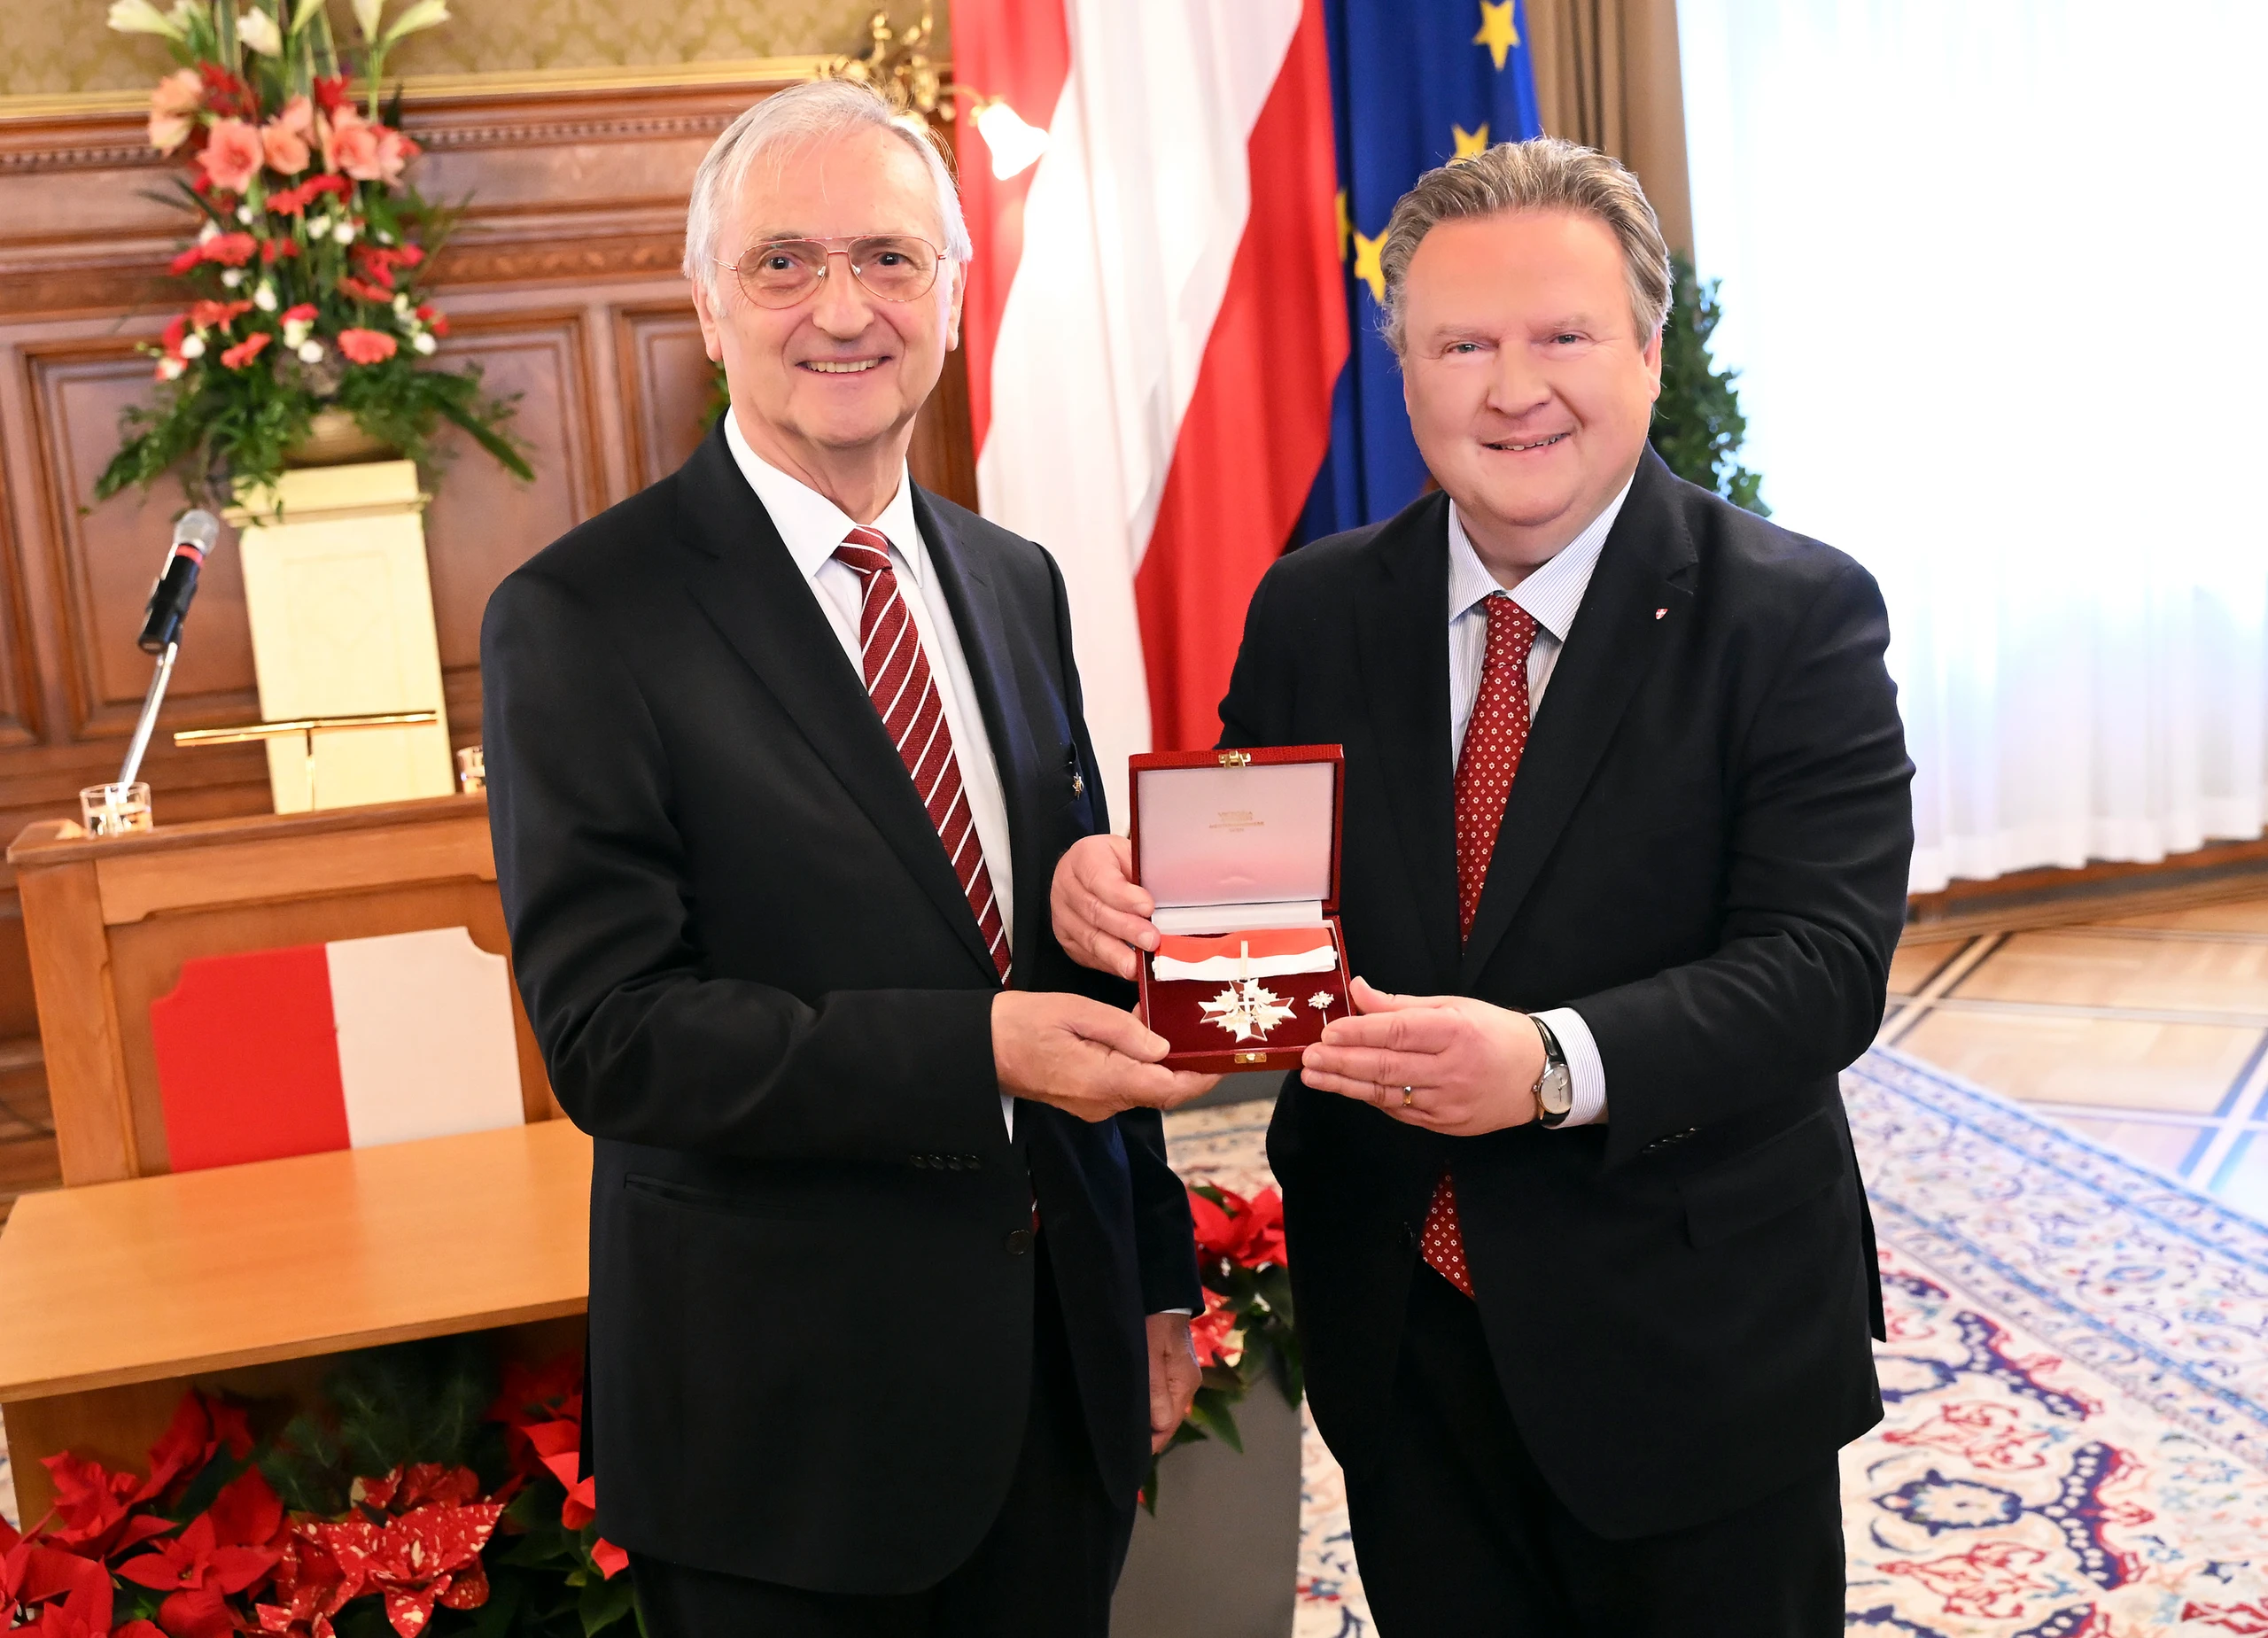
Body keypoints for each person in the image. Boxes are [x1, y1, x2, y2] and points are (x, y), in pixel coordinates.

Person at [1052, 137, 1915, 1634]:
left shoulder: (1795, 615)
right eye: (1463, 343)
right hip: (1402, 1337)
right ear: (1407, 371)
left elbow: (1821, 967)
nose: (1514, 389)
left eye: (1563, 336)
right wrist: (1114, 901)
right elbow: (1251, 928)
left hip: (1692, 1349)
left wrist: (1551, 1065)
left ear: (1649, 352)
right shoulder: (1314, 609)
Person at [482, 79, 1214, 1638]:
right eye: (783, 264)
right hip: (789, 1437)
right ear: (706, 300)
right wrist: (981, 1052)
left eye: (889, 259)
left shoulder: (1013, 582)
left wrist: (1154, 1271)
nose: (843, 310)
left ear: (951, 290)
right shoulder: (582, 618)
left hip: (1051, 1385)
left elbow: (1064, 958)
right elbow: (615, 1041)